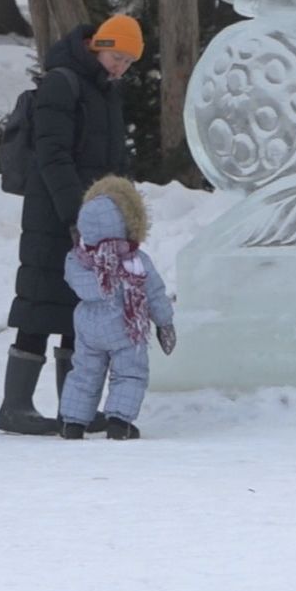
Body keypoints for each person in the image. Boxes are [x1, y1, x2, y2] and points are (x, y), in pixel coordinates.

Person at [0, 15, 140, 436]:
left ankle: (73, 407)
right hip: (54, 213)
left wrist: (123, 207)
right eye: (117, 57)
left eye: (129, 62)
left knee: (84, 309)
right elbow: (53, 155)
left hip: (95, 215)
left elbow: (115, 160)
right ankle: (14, 407)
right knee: (40, 305)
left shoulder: (105, 90)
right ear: (98, 45)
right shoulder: (63, 83)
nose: (121, 67)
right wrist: (76, 215)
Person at [58, 177, 175, 440]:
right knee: (129, 373)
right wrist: (164, 323)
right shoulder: (135, 260)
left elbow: (77, 284)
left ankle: (72, 423)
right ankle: (119, 422)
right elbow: (154, 293)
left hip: (88, 326)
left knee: (85, 373)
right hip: (125, 325)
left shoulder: (77, 260)